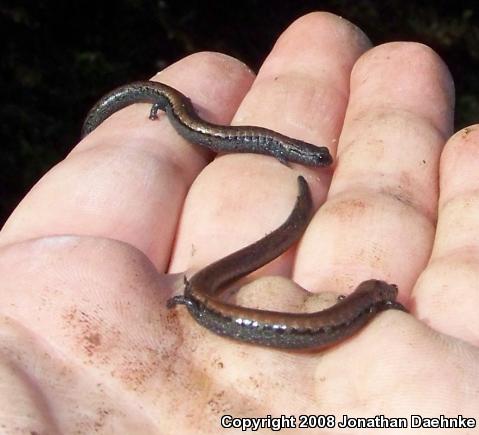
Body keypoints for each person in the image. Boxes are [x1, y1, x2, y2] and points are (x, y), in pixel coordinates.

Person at [0, 11, 477, 434]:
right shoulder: (366, 307)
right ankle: (208, 288)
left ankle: (207, 289)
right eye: (382, 298)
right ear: (372, 303)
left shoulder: (362, 308)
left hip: (208, 304)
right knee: (205, 290)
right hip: (207, 305)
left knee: (205, 290)